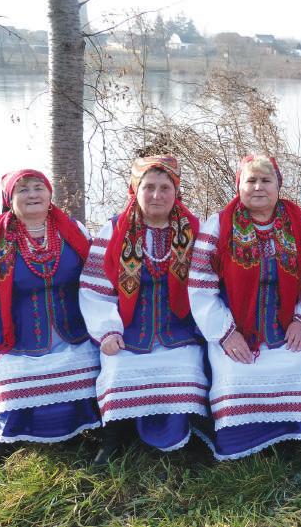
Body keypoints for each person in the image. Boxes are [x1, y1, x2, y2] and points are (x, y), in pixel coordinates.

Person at [0, 169, 100, 463]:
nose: (32, 194)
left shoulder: (73, 231)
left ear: (49, 194)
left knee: (92, 368)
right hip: (16, 337)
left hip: (73, 331)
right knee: (13, 379)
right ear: (9, 199)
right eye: (23, 190)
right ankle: (0, 427)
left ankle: (78, 427)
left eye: (38, 187)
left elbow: (96, 282)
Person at [188, 155, 301, 460]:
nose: (258, 187)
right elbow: (201, 286)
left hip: (285, 325)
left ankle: (289, 438)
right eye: (251, 180)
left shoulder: (299, 225)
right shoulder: (218, 226)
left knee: (296, 363)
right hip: (235, 327)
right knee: (235, 373)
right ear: (239, 186)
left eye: (266, 180)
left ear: (278, 185)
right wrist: (225, 333)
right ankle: (242, 442)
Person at [80, 155, 208, 464]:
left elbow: (209, 284)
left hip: (179, 329)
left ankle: (184, 435)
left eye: (165, 188)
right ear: (134, 189)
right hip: (129, 330)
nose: (156, 195)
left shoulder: (193, 230)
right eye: (148, 187)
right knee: (117, 369)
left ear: (176, 191)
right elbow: (94, 288)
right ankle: (114, 437)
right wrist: (107, 331)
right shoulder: (114, 230)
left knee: (187, 366)